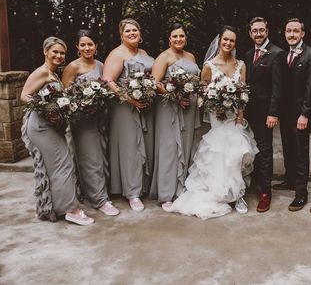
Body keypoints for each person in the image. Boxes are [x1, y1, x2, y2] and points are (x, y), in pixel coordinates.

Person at [164, 25, 259, 220]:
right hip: (218, 117)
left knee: (237, 152)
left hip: (235, 117)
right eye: (225, 40)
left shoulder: (241, 65)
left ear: (235, 43)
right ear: (220, 41)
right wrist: (215, 103)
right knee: (219, 153)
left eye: (232, 40)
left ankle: (238, 194)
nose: (228, 43)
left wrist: (240, 114)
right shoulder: (209, 66)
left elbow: (242, 92)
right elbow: (203, 93)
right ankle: (220, 192)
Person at [21, 36, 94, 225]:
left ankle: (56, 206)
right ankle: (71, 210)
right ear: (46, 52)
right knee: (63, 164)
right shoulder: (42, 72)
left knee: (60, 165)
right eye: (55, 52)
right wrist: (47, 110)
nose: (59, 56)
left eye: (62, 53)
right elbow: (25, 96)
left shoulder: (53, 73)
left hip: (51, 125)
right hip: (41, 126)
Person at [62, 29, 119, 216]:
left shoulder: (102, 65)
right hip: (82, 120)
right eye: (83, 44)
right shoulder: (73, 67)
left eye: (90, 44)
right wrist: (82, 106)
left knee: (102, 158)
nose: (87, 48)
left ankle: (97, 192)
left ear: (96, 46)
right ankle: (100, 200)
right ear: (77, 47)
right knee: (90, 159)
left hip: (101, 118)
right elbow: (65, 96)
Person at [102, 18, 155, 212]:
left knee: (145, 145)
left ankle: (143, 186)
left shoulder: (143, 53)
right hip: (125, 107)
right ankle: (132, 192)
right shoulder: (117, 54)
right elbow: (108, 81)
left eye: (135, 30)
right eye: (128, 31)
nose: (132, 33)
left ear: (140, 33)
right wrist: (130, 98)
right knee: (130, 148)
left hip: (144, 105)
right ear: (121, 35)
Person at [150, 23, 200, 209]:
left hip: (189, 108)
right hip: (169, 108)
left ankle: (180, 188)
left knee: (185, 147)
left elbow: (196, 80)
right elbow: (155, 83)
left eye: (181, 36)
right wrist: (176, 97)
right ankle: (165, 194)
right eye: (175, 36)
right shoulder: (164, 57)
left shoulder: (191, 56)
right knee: (169, 148)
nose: (178, 39)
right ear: (169, 39)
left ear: (185, 38)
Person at [273, 18, 311, 212]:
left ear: (302, 34)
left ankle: (301, 193)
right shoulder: (284, 55)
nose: (291, 34)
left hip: (301, 114)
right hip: (286, 113)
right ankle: (290, 179)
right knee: (288, 148)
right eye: (288, 31)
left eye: (295, 31)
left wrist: (305, 114)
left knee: (301, 152)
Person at [244, 17, 285, 213]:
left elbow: (279, 88)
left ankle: (265, 192)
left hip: (265, 113)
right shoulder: (249, 54)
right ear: (250, 33)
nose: (258, 34)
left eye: (261, 30)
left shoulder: (277, 54)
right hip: (248, 112)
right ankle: (255, 182)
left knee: (265, 149)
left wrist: (273, 113)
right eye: (255, 31)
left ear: (267, 30)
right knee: (251, 147)